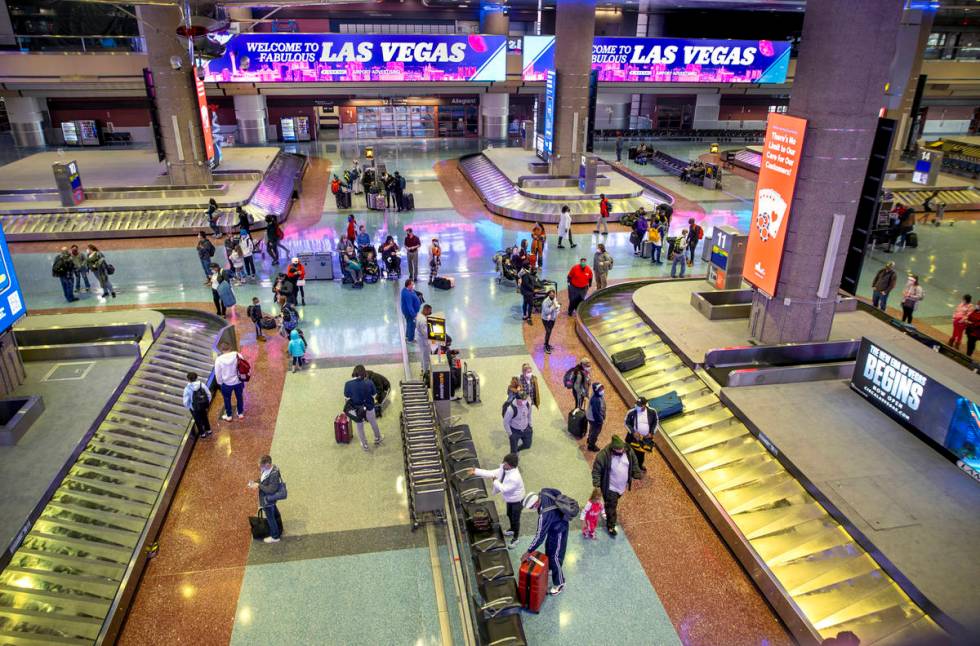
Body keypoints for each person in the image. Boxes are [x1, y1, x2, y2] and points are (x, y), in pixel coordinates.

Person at [591, 435, 642, 537]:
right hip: (610, 487)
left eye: (622, 448)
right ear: (612, 448)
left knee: (612, 503)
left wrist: (637, 475)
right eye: (618, 449)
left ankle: (607, 508)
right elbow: (596, 471)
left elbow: (634, 463)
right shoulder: (603, 455)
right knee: (611, 507)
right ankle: (611, 526)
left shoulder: (628, 450)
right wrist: (597, 485)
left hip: (621, 487)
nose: (621, 451)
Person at [470, 453, 525, 546]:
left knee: (515, 519)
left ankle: (515, 538)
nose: (503, 463)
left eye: (505, 463)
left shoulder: (515, 478)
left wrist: (495, 480)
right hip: (510, 499)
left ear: (510, 466)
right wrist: (476, 471)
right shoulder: (504, 468)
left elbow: (503, 488)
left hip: (517, 501)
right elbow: (491, 473)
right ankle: (512, 529)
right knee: (509, 514)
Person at [523, 489, 571, 595]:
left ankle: (560, 583)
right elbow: (558, 492)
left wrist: (529, 551)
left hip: (560, 529)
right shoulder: (544, 492)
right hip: (553, 526)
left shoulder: (544, 515)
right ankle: (550, 568)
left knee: (555, 556)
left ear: (535, 503)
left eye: (531, 507)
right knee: (548, 547)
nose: (531, 509)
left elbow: (539, 536)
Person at [344, 365, 384, 451]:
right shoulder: (369, 382)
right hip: (369, 407)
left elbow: (347, 398)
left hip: (357, 409)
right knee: (373, 422)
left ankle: (364, 444)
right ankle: (378, 438)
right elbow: (374, 395)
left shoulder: (348, 384)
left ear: (354, 372)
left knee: (360, 426)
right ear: (364, 373)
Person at [247, 455, 284, 543]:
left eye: (261, 465)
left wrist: (259, 485)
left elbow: (271, 490)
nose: (260, 467)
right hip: (269, 500)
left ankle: (275, 536)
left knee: (270, 517)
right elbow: (263, 479)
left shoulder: (273, 474)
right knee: (274, 513)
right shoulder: (268, 470)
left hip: (268, 500)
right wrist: (256, 482)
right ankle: (279, 527)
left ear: (267, 464)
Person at [624, 397, 658, 471]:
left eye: (640, 405)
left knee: (641, 454)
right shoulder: (631, 411)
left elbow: (656, 422)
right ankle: (630, 467)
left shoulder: (652, 412)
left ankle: (639, 465)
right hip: (633, 438)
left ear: (644, 405)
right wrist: (633, 432)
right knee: (631, 453)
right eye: (637, 404)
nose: (637, 406)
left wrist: (651, 433)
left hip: (644, 439)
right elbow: (626, 423)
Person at [214, 342, 245, 421]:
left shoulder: (219, 360)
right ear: (230, 347)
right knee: (239, 397)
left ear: (221, 350)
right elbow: (243, 367)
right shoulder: (237, 355)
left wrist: (220, 382)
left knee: (227, 399)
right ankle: (240, 413)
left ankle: (229, 415)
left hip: (227, 384)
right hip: (238, 381)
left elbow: (218, 374)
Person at [183, 371, 212, 438]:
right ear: (196, 378)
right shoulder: (202, 385)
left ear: (188, 379)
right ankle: (208, 430)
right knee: (204, 417)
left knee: (197, 420)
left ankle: (202, 433)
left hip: (194, 408)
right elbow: (209, 394)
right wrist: (207, 402)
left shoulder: (187, 389)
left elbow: (185, 401)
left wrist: (189, 407)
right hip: (203, 405)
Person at [586, 382, 606, 452]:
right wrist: (600, 421)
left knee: (592, 429)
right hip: (594, 419)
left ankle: (589, 439)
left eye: (602, 388)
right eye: (600, 389)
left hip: (591, 417)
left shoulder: (596, 394)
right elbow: (596, 413)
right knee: (595, 432)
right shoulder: (596, 400)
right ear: (596, 390)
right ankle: (591, 445)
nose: (602, 390)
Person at [541, 289, 560, 354]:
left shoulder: (554, 299)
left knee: (549, 332)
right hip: (546, 319)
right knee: (548, 332)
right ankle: (546, 346)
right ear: (548, 294)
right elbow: (546, 312)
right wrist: (553, 306)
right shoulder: (545, 302)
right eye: (551, 294)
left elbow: (556, 307)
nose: (553, 295)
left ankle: (547, 343)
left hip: (552, 319)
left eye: (553, 294)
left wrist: (557, 307)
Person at [416, 303, 433, 374]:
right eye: (429, 312)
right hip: (423, 340)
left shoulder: (419, 315)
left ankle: (423, 368)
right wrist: (433, 333)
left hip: (420, 338)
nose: (430, 313)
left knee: (422, 354)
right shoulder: (423, 320)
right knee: (426, 357)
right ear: (425, 310)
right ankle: (426, 372)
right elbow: (426, 333)